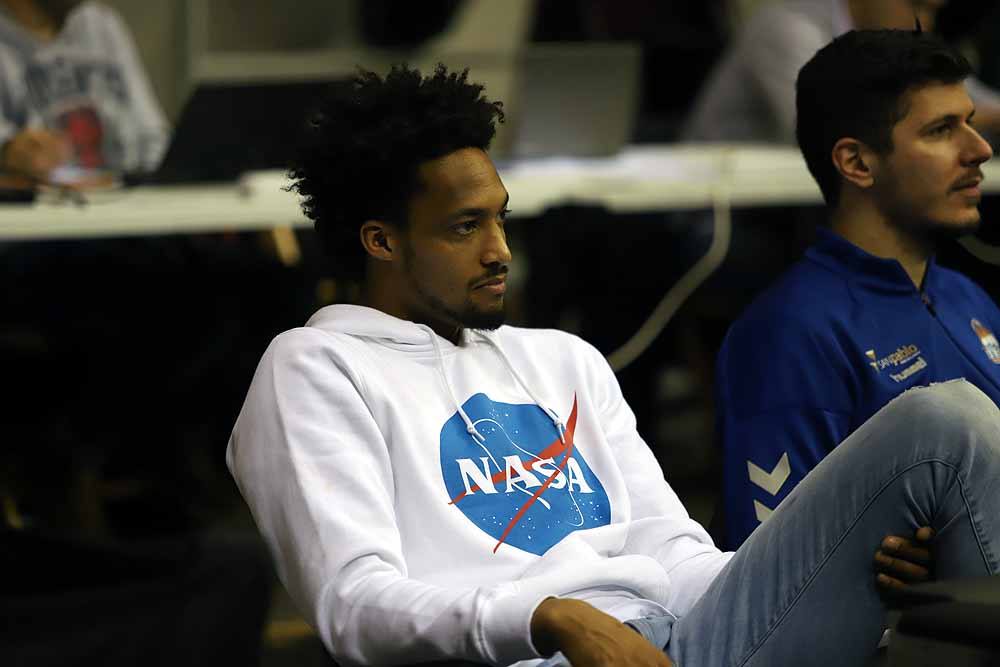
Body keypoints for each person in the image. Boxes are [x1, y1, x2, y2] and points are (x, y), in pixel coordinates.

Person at [228, 61, 1000, 667]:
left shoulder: (561, 357)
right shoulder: (317, 365)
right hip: (535, 656)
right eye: (465, 227)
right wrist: (546, 617)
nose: (500, 250)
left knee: (946, 423)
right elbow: (351, 605)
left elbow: (675, 552)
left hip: (683, 634)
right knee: (943, 420)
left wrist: (824, 560)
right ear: (381, 241)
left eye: (500, 217)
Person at [715, 27, 1000, 549]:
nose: (979, 149)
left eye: (971, 124)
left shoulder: (968, 296)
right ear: (857, 163)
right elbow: (776, 571)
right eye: (941, 130)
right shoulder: (790, 335)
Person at [682, 0, 1000, 144]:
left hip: (807, 206)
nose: (925, 25)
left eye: (933, 11)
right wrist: (971, 118)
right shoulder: (785, 25)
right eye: (916, 4)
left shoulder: (900, 39)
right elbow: (821, 127)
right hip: (718, 212)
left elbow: (974, 99)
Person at [0, 0, 168, 183]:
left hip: (129, 200)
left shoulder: (100, 23)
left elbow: (152, 136)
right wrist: (9, 153)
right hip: (44, 205)